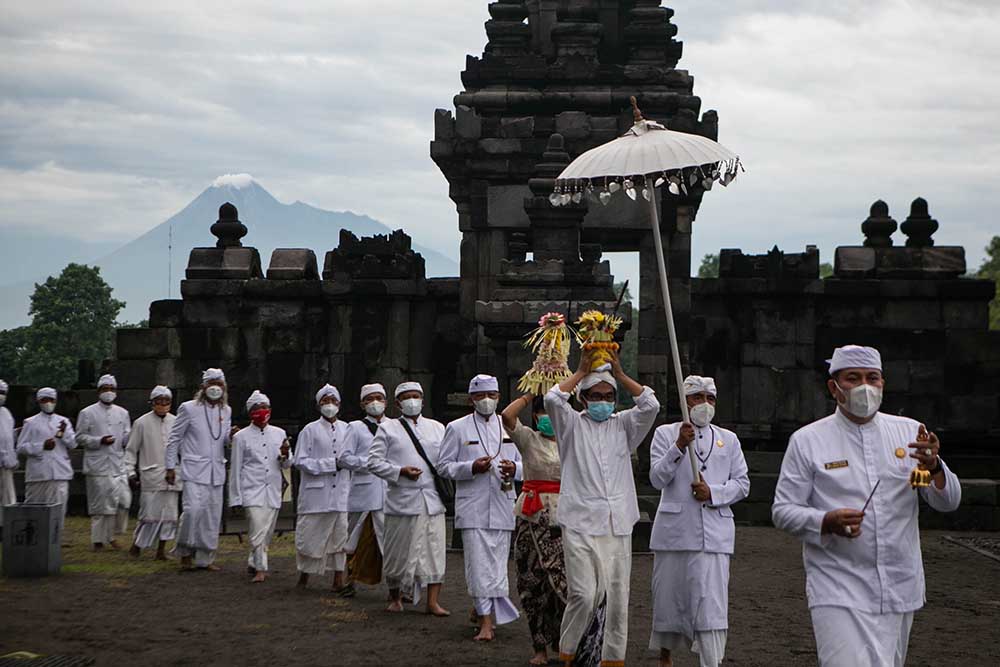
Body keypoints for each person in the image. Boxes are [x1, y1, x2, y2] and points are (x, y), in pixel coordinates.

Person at [772, 345, 962, 667]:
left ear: (883, 384)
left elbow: (946, 501)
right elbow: (783, 510)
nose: (864, 386)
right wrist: (825, 520)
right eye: (853, 378)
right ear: (834, 387)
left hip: (900, 586)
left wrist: (934, 468)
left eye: (872, 378)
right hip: (838, 585)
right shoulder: (808, 441)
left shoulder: (909, 434)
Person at [545, 348, 659, 667]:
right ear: (583, 399)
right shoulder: (570, 426)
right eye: (596, 395)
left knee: (616, 598)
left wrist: (620, 374)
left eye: (609, 396)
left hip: (617, 523)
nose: (603, 401)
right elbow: (553, 400)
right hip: (580, 523)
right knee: (584, 593)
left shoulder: (624, 426)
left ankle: (608, 659)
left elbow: (651, 404)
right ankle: (570, 652)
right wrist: (581, 372)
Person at [648, 375, 750, 667]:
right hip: (675, 533)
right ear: (685, 401)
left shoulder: (728, 439)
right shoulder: (666, 433)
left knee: (711, 603)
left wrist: (714, 492)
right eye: (698, 397)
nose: (704, 404)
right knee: (669, 597)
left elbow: (742, 484)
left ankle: (711, 660)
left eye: (710, 398)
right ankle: (665, 656)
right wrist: (679, 446)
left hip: (714, 534)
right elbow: (657, 479)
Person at [439, 374, 522, 641]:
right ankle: (487, 622)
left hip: (503, 502)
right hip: (472, 506)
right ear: (471, 398)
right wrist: (470, 467)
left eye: (491, 396)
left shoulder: (510, 425)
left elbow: (527, 462)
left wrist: (515, 469)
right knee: (477, 564)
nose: (486, 401)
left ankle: (483, 609)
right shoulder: (457, 427)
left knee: (498, 564)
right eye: (480, 396)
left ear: (499, 397)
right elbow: (444, 466)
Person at [367, 381, 450, 617]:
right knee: (397, 551)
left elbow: (445, 460)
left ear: (423, 400)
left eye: (416, 396)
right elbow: (373, 462)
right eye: (406, 397)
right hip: (402, 500)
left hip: (432, 499)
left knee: (434, 551)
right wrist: (399, 471)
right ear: (397, 403)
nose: (412, 401)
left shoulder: (437, 428)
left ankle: (432, 602)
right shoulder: (388, 429)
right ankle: (396, 597)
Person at [501, 393, 566, 666]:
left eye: (553, 413)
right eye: (542, 413)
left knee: (567, 586)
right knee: (533, 584)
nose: (547, 418)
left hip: (565, 518)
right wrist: (532, 393)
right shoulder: (528, 439)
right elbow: (507, 416)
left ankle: (566, 646)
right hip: (532, 516)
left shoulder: (572, 441)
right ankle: (539, 648)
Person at [165, 368, 233, 571]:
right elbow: (174, 439)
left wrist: (233, 436)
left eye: (219, 383)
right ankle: (185, 552)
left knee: (211, 516)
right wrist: (170, 466)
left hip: (216, 471)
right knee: (193, 511)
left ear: (224, 387)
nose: (215, 387)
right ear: (204, 386)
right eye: (211, 383)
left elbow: (224, 439)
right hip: (194, 470)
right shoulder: (188, 408)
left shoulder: (226, 410)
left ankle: (205, 559)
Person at [293, 384, 357, 594]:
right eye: (325, 401)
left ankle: (338, 578)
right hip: (316, 495)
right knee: (310, 536)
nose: (330, 405)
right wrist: (331, 464)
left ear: (339, 404)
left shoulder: (348, 429)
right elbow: (300, 461)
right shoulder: (309, 430)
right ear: (319, 405)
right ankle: (304, 576)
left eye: (333, 401)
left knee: (340, 536)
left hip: (341, 494)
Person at [229, 390, 291, 583]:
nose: (261, 411)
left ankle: (253, 560)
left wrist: (285, 455)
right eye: (257, 408)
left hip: (272, 489)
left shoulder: (279, 433)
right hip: (251, 489)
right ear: (250, 412)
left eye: (264, 407)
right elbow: (236, 468)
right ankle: (261, 570)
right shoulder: (241, 437)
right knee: (257, 527)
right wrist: (235, 498)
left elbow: (287, 464)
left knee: (267, 531)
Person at [76, 374, 132, 550]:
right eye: (105, 389)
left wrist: (132, 437)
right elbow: (80, 437)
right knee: (100, 504)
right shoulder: (87, 412)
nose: (108, 392)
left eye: (111, 389)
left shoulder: (123, 413)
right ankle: (99, 540)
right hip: (97, 464)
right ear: (98, 391)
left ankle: (112, 534)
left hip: (117, 463)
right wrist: (99, 440)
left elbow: (126, 437)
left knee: (124, 500)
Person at [125, 385, 181, 560]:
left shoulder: (176, 421)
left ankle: (161, 551)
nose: (162, 404)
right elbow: (131, 450)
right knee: (148, 513)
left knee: (170, 514)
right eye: (159, 401)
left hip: (172, 476)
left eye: (166, 401)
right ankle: (137, 545)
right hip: (151, 475)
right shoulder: (141, 423)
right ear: (152, 403)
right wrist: (130, 473)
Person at [16, 388, 77, 536]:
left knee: (59, 508)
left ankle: (55, 538)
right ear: (39, 402)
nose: (48, 403)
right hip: (39, 473)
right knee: (35, 507)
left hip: (59, 472)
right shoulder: (30, 423)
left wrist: (63, 434)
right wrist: (41, 446)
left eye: (51, 400)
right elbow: (21, 447)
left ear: (55, 401)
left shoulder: (63, 421)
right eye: (44, 400)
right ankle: (34, 537)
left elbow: (73, 444)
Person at [345, 384, 390, 575]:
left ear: (386, 402)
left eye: (379, 398)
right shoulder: (355, 428)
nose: (375, 403)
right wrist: (371, 463)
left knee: (389, 539)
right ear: (363, 404)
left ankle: (394, 586)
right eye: (370, 399)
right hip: (363, 491)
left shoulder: (395, 426)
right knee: (353, 536)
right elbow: (344, 457)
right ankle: (350, 578)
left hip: (389, 492)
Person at [0, 380, 16, 528]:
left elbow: (9, 438)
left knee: (8, 497)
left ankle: (5, 527)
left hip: (6, 465)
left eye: (3, 393)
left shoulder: (6, 414)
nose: (1, 396)